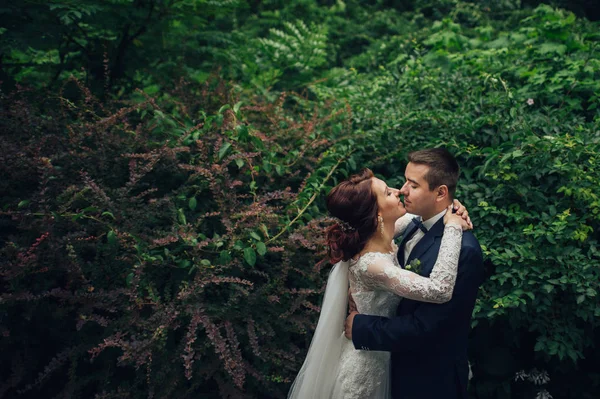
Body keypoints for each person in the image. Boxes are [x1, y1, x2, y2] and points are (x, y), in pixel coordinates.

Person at [288, 162, 472, 399]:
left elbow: (424, 214)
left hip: (385, 359)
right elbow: (439, 290)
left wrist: (454, 206)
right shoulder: (372, 264)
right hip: (363, 371)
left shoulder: (381, 234)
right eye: (388, 192)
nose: (400, 191)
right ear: (376, 213)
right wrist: (454, 229)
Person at [345, 148, 485, 399]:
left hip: (429, 380)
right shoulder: (407, 225)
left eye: (413, 185)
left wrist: (362, 327)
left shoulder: (465, 250)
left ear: (441, 192)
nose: (402, 190)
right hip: (391, 368)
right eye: (404, 181)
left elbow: (428, 328)